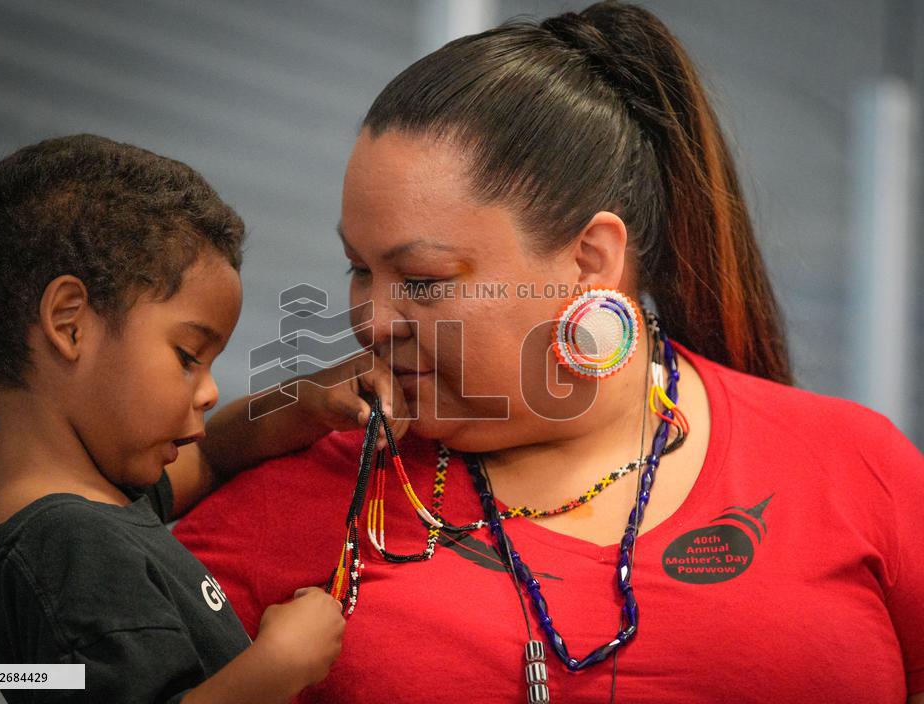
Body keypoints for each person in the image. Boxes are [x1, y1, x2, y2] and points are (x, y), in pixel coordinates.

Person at [174, 3, 924, 702]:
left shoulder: (856, 468)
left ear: (591, 261)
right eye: (359, 269)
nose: (372, 319)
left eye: (424, 279)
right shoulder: (312, 493)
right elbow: (58, 670)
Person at [0, 134, 409, 703]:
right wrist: (278, 668)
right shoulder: (68, 544)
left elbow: (211, 454)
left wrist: (305, 399)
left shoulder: (89, 501)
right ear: (69, 324)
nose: (210, 392)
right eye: (188, 356)